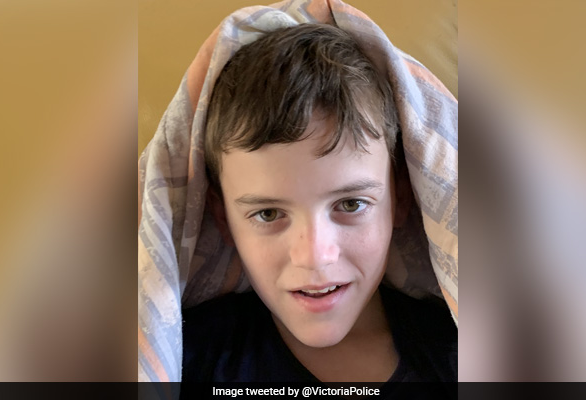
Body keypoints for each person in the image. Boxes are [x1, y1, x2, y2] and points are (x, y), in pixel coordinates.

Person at [180, 23, 457, 387]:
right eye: (268, 213)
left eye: (351, 204)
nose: (314, 257)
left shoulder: (461, 353)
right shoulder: (185, 360)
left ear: (400, 198)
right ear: (223, 218)